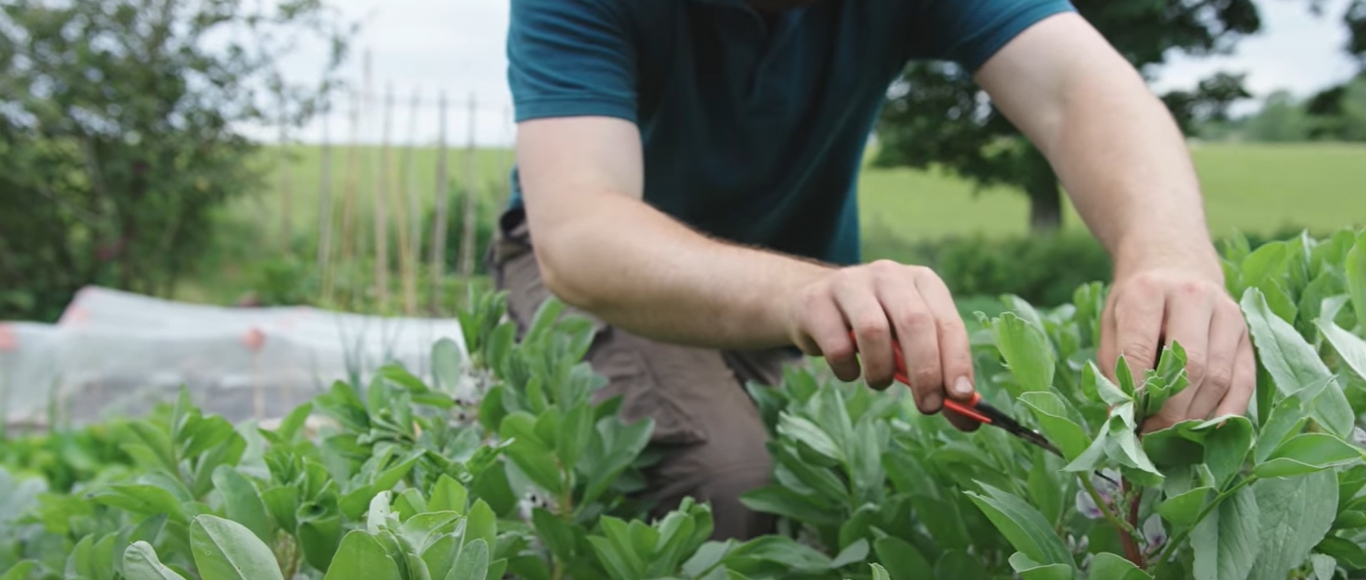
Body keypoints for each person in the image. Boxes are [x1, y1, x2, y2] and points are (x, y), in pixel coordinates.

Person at [489, 0, 1256, 541]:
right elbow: (582, 229)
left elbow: (1076, 91)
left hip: (806, 275)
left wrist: (1167, 256)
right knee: (729, 474)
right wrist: (805, 291)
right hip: (607, 273)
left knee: (888, 486)